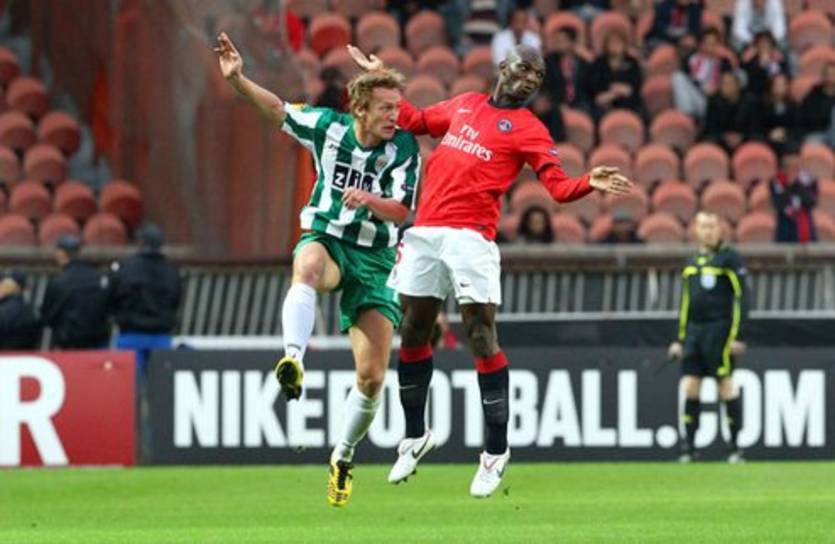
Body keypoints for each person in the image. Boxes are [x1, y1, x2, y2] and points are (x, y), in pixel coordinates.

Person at [348, 43, 632, 497]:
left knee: (480, 333)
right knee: (415, 329)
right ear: (503, 67)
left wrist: (587, 182)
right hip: (426, 231)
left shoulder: (529, 129)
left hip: (472, 238)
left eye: (538, 76)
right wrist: (383, 73)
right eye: (525, 69)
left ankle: (496, 451)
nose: (531, 79)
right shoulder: (465, 104)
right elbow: (415, 120)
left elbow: (557, 188)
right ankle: (415, 435)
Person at [216, 33, 420, 507]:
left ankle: (342, 456)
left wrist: (368, 199)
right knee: (306, 265)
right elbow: (278, 110)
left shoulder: (404, 149)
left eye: (397, 107)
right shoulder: (327, 127)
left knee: (371, 378)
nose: (396, 116)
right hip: (329, 240)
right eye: (386, 108)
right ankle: (293, 359)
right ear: (360, 109)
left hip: (376, 260)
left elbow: (401, 210)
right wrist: (239, 79)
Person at [668, 212, 748, 463]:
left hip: (720, 331)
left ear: (720, 229)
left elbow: (743, 298)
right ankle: (689, 448)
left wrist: (738, 335)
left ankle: (735, 447)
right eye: (703, 226)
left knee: (725, 385)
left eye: (712, 226)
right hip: (694, 332)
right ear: (696, 230)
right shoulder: (691, 260)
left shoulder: (730, 258)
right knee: (691, 385)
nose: (708, 231)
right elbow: (685, 303)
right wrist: (679, 339)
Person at [109, 224, 182, 377]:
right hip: (161, 337)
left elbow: (112, 297)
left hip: (131, 336)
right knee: (161, 383)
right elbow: (176, 300)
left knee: (130, 384)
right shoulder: (172, 271)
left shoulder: (125, 269)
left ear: (140, 243)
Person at [40, 235, 111, 349]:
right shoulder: (99, 278)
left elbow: (47, 316)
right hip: (98, 343)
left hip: (69, 345)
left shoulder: (59, 282)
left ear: (61, 254)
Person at [672, 28, 732, 120]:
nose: (711, 47)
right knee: (677, 76)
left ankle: (689, 118)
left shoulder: (724, 63)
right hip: (695, 97)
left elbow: (728, 84)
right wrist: (701, 86)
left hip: (713, 102)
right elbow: (688, 83)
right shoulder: (691, 59)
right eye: (707, 44)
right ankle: (687, 116)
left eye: (714, 43)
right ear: (701, 45)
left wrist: (716, 89)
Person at [587, 31, 646, 121]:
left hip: (629, 101)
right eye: (612, 43)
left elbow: (635, 85)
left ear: (624, 45)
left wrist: (619, 91)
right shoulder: (598, 63)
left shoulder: (632, 62)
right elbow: (595, 88)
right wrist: (614, 93)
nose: (615, 46)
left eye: (618, 43)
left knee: (641, 112)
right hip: (604, 101)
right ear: (606, 46)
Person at [542, 26, 592, 113]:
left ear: (572, 43)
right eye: (556, 41)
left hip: (581, 105)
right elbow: (547, 87)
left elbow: (588, 88)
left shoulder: (582, 63)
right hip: (556, 105)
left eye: (561, 41)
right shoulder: (549, 62)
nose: (557, 44)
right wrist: (557, 103)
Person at [770, 155, 818, 243]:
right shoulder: (776, 182)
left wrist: (797, 185)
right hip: (785, 230)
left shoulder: (809, 181)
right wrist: (790, 186)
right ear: (784, 169)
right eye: (792, 167)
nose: (796, 171)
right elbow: (779, 204)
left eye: (798, 167)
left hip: (806, 228)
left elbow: (811, 202)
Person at [703, 71, 749, 153]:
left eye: (728, 83)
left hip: (745, 143)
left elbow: (756, 129)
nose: (724, 87)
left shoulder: (750, 103)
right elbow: (709, 129)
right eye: (722, 83)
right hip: (720, 143)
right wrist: (724, 136)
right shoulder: (714, 103)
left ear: (738, 85)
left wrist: (742, 137)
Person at [0, 270, 41, 350]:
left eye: (3, 283)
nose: (1, 286)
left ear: (16, 287)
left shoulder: (4, 310)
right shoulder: (31, 311)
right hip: (24, 355)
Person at [798, 62, 835, 148]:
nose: (830, 77)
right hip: (818, 132)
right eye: (827, 74)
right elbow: (806, 118)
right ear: (823, 76)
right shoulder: (813, 95)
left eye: (833, 74)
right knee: (809, 143)